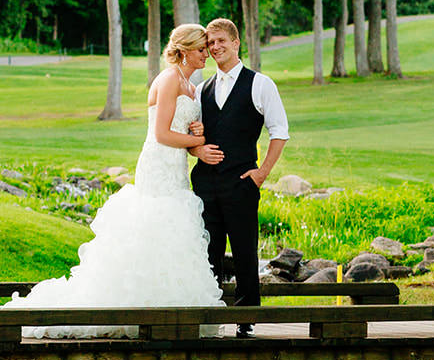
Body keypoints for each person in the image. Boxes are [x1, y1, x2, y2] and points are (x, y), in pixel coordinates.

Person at [18, 24, 225, 340]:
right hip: (158, 166)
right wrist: (196, 141)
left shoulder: (191, 85)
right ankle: (133, 308)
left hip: (177, 169)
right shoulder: (169, 79)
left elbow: (181, 127)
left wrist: (196, 132)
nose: (206, 55)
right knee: (155, 225)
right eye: (201, 49)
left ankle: (169, 309)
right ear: (185, 50)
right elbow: (162, 133)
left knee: (173, 232)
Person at [191, 18, 289, 336]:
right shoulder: (202, 89)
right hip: (205, 183)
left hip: (242, 182)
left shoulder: (260, 84)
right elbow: (193, 137)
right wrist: (197, 152)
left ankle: (246, 321)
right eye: (210, 43)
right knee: (209, 252)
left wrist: (261, 174)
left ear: (236, 43)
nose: (215, 47)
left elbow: (280, 132)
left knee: (245, 250)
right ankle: (210, 317)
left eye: (221, 41)